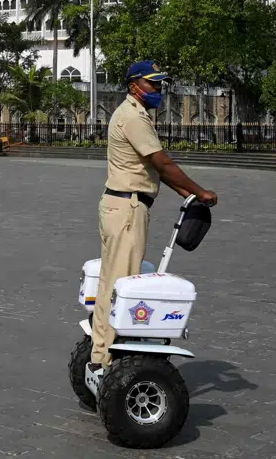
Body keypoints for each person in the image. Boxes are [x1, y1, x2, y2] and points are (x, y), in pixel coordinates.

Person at [90, 61, 217, 376]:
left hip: (122, 206)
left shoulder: (133, 113)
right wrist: (199, 191)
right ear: (135, 86)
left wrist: (184, 193)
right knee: (119, 286)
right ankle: (106, 360)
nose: (158, 90)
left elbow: (154, 168)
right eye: (152, 84)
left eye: (159, 85)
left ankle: (102, 353)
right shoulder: (133, 117)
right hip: (128, 210)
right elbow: (162, 161)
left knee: (111, 283)